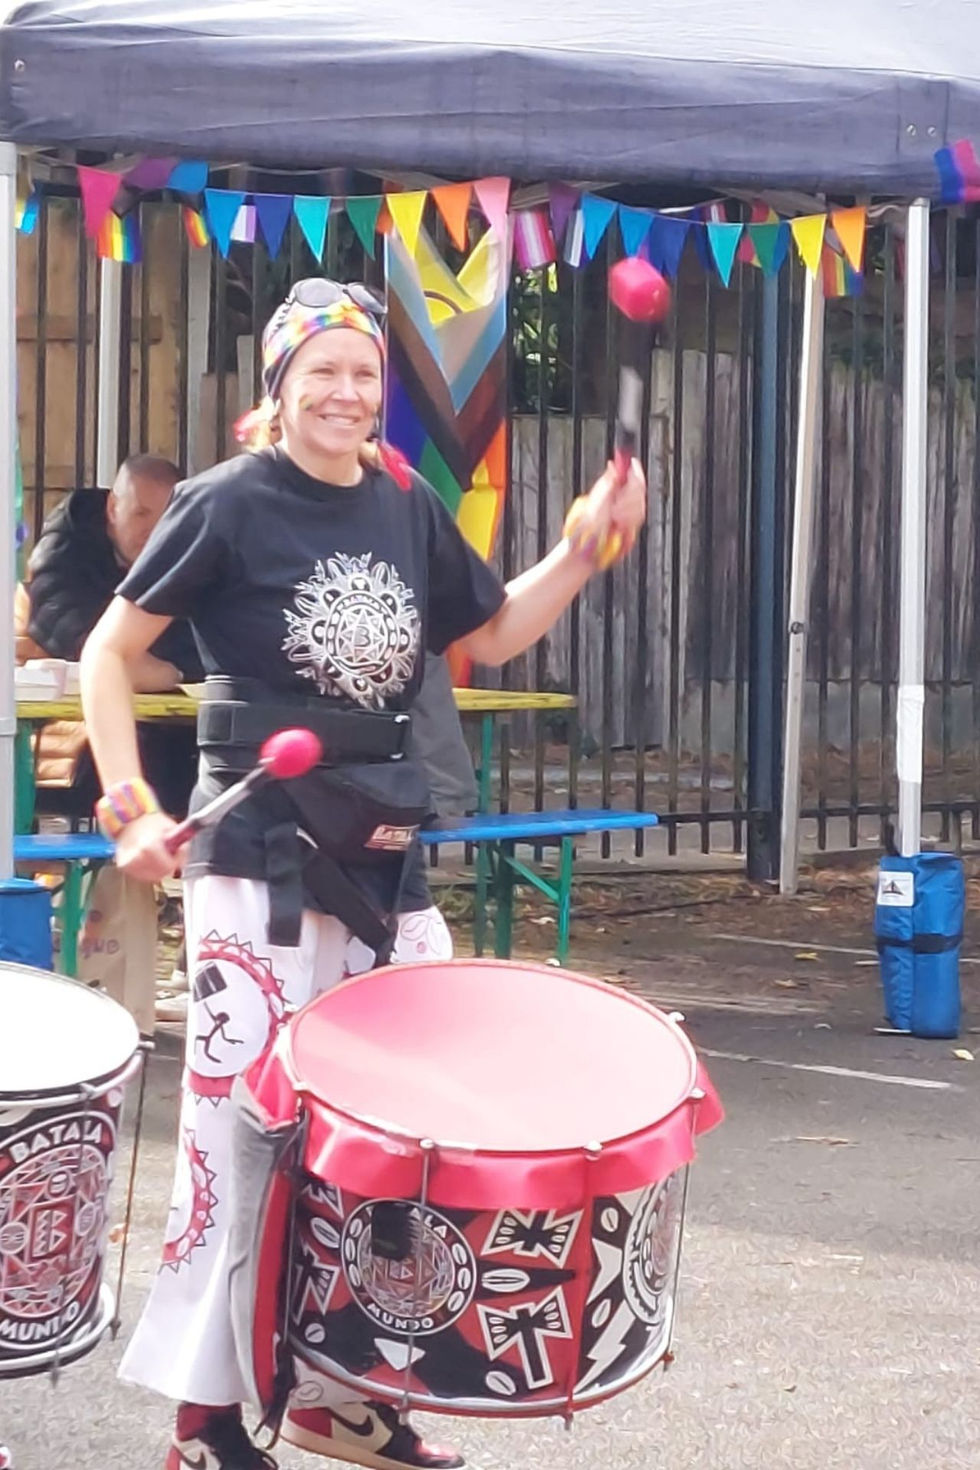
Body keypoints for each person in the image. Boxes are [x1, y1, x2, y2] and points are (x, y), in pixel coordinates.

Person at [79, 278, 646, 1470]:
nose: (345, 393)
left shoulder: (403, 501)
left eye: (363, 376)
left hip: (383, 851)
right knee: (243, 1132)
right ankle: (207, 1417)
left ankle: (346, 1391)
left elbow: (484, 633)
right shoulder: (227, 505)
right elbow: (107, 653)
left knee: (392, 1134)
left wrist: (580, 552)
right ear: (278, 387)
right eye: (322, 372)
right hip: (253, 855)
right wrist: (131, 802)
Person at [17, 454, 203, 817]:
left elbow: (216, 630)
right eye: (141, 514)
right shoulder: (69, 543)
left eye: (167, 518)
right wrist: (112, 656)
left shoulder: (192, 550)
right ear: (113, 507)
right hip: (74, 732)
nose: (153, 530)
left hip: (178, 729)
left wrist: (171, 670)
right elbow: (59, 617)